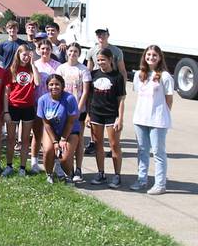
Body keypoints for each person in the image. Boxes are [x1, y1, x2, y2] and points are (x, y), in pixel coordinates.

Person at [132, 45, 173, 195]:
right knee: (142, 150)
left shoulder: (165, 76)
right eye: (148, 55)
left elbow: (169, 100)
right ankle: (141, 180)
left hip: (157, 121)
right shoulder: (139, 75)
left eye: (154, 55)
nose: (151, 57)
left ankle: (160, 184)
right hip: (140, 119)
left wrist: (162, 114)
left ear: (160, 57)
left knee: (158, 152)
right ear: (144, 56)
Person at [88, 48, 126, 189]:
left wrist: (120, 118)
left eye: (103, 59)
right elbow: (89, 97)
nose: (100, 62)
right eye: (98, 60)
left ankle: (117, 175)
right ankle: (101, 173)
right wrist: (88, 115)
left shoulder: (118, 77)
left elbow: (121, 100)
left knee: (114, 145)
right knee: (98, 144)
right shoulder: (93, 75)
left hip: (111, 115)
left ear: (110, 60)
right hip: (96, 114)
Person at [2, 45, 41, 177]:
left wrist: (33, 65)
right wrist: (6, 111)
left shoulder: (32, 69)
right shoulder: (11, 70)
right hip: (13, 106)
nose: (25, 57)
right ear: (18, 55)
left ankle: (23, 167)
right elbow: (6, 93)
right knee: (11, 139)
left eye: (28, 55)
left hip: (28, 107)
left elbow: (38, 82)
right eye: (23, 55)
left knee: (25, 140)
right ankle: (9, 165)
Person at [55, 43, 92, 182]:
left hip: (78, 110)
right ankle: (61, 167)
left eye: (75, 51)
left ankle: (78, 169)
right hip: (63, 110)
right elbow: (56, 88)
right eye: (70, 51)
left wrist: (78, 109)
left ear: (79, 53)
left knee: (79, 139)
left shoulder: (83, 70)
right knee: (61, 138)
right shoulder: (61, 68)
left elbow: (86, 91)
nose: (72, 53)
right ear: (67, 53)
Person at [37, 74, 80, 184]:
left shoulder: (69, 99)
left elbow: (70, 122)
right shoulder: (42, 100)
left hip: (70, 131)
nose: (54, 87)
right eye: (51, 84)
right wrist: (55, 141)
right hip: (51, 129)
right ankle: (49, 175)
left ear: (62, 86)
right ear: (47, 86)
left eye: (57, 84)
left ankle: (69, 175)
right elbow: (46, 123)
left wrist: (63, 139)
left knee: (64, 158)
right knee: (48, 150)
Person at [30, 39, 61, 175]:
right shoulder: (34, 64)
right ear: (38, 50)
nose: (45, 51)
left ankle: (56, 163)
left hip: (54, 106)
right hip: (37, 104)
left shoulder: (57, 66)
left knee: (54, 136)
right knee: (37, 134)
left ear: (51, 50)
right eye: (42, 49)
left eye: (47, 49)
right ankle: (34, 162)